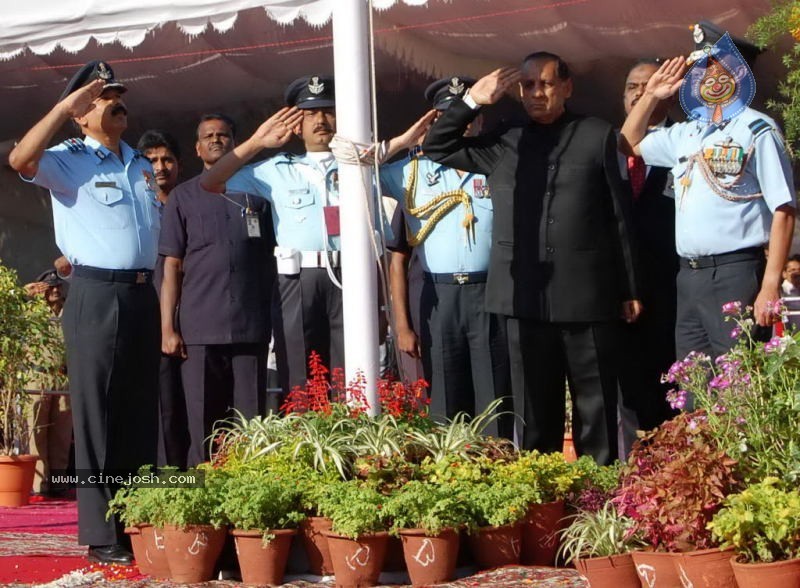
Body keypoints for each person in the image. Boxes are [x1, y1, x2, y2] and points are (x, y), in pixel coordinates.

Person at [423, 52, 640, 464]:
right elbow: (438, 145)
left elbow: (619, 217)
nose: (536, 93)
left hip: (587, 295)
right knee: (535, 413)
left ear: (566, 87)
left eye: (545, 84)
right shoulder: (506, 139)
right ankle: (544, 502)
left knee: (594, 409)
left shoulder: (597, 134)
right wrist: (472, 101)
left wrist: (629, 287)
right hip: (524, 296)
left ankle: (597, 500)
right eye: (528, 86)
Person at [8, 60, 160, 564]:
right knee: (96, 415)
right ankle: (100, 532)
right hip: (96, 294)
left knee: (137, 410)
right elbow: (19, 159)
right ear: (80, 113)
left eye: (115, 93)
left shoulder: (139, 162)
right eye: (99, 96)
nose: (114, 101)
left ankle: (135, 517)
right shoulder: (69, 158)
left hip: (142, 292)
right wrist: (61, 109)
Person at [202, 76, 424, 396]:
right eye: (310, 114)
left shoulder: (361, 166)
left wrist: (381, 307)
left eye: (328, 111)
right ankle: (306, 442)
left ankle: (350, 440)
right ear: (297, 125)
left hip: (351, 273)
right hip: (298, 279)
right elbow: (211, 182)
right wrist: (257, 142)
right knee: (300, 371)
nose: (321, 120)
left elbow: (379, 241)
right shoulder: (277, 169)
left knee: (353, 372)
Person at [619, 23, 796, 362]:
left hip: (736, 272)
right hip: (689, 274)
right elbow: (627, 143)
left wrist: (770, 283)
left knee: (740, 382)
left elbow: (784, 209)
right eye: (698, 68)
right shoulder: (689, 132)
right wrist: (651, 97)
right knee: (694, 385)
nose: (701, 77)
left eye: (711, 67)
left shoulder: (756, 129)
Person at [383, 76, 510, 437]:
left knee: (494, 396)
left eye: (470, 113)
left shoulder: (497, 163)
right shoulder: (411, 172)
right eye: (449, 115)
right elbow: (356, 168)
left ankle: (497, 472)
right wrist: (405, 141)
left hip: (488, 291)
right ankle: (452, 475)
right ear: (434, 120)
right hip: (439, 297)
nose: (464, 122)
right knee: (444, 397)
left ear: (480, 117)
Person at [160, 113, 284, 466]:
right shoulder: (183, 198)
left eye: (224, 135)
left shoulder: (258, 196)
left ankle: (248, 496)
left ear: (235, 142)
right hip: (200, 328)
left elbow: (272, 260)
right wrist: (167, 327)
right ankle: (201, 501)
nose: (217, 140)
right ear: (198, 148)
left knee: (251, 425)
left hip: (250, 327)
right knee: (202, 423)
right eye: (209, 136)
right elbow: (171, 265)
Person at [617, 59, 679, 450]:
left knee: (673, 385)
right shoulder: (611, 146)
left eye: (649, 84)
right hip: (621, 291)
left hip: (673, 288)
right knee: (629, 390)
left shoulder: (687, 139)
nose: (640, 93)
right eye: (631, 86)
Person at [137, 129, 189, 469]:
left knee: (186, 405)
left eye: (167, 159)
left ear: (179, 165)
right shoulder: (136, 209)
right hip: (147, 317)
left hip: (194, 316)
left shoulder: (191, 203)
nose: (160, 167)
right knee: (159, 407)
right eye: (152, 160)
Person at [24, 269, 72, 497]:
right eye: (49, 287)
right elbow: (10, 313)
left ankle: (58, 481)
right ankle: (38, 484)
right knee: (37, 431)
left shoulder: (69, 311)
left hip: (62, 377)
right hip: (38, 375)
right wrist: (25, 293)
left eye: (58, 286)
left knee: (62, 432)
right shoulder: (33, 313)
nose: (55, 290)